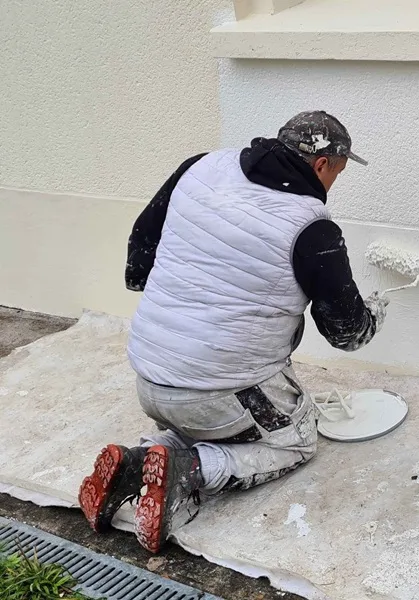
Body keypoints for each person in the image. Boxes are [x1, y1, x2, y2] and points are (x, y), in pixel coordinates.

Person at [78, 111, 388, 553]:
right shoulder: (312, 228)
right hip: (216, 393)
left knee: (207, 416)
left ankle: (136, 463)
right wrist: (371, 314)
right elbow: (347, 333)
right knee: (297, 440)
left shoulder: (201, 167)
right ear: (322, 165)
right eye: (338, 171)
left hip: (149, 375)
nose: (335, 181)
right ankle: (192, 470)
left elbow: (140, 253)